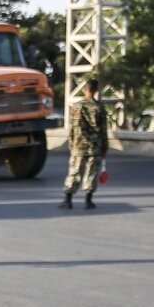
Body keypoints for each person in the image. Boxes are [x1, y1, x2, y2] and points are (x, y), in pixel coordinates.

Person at [61, 78, 108, 210]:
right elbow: (104, 130)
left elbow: (73, 128)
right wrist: (105, 147)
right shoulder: (100, 107)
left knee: (74, 172)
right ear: (96, 90)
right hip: (95, 146)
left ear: (85, 89)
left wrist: (71, 145)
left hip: (79, 145)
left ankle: (68, 200)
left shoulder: (77, 106)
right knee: (92, 173)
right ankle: (88, 201)